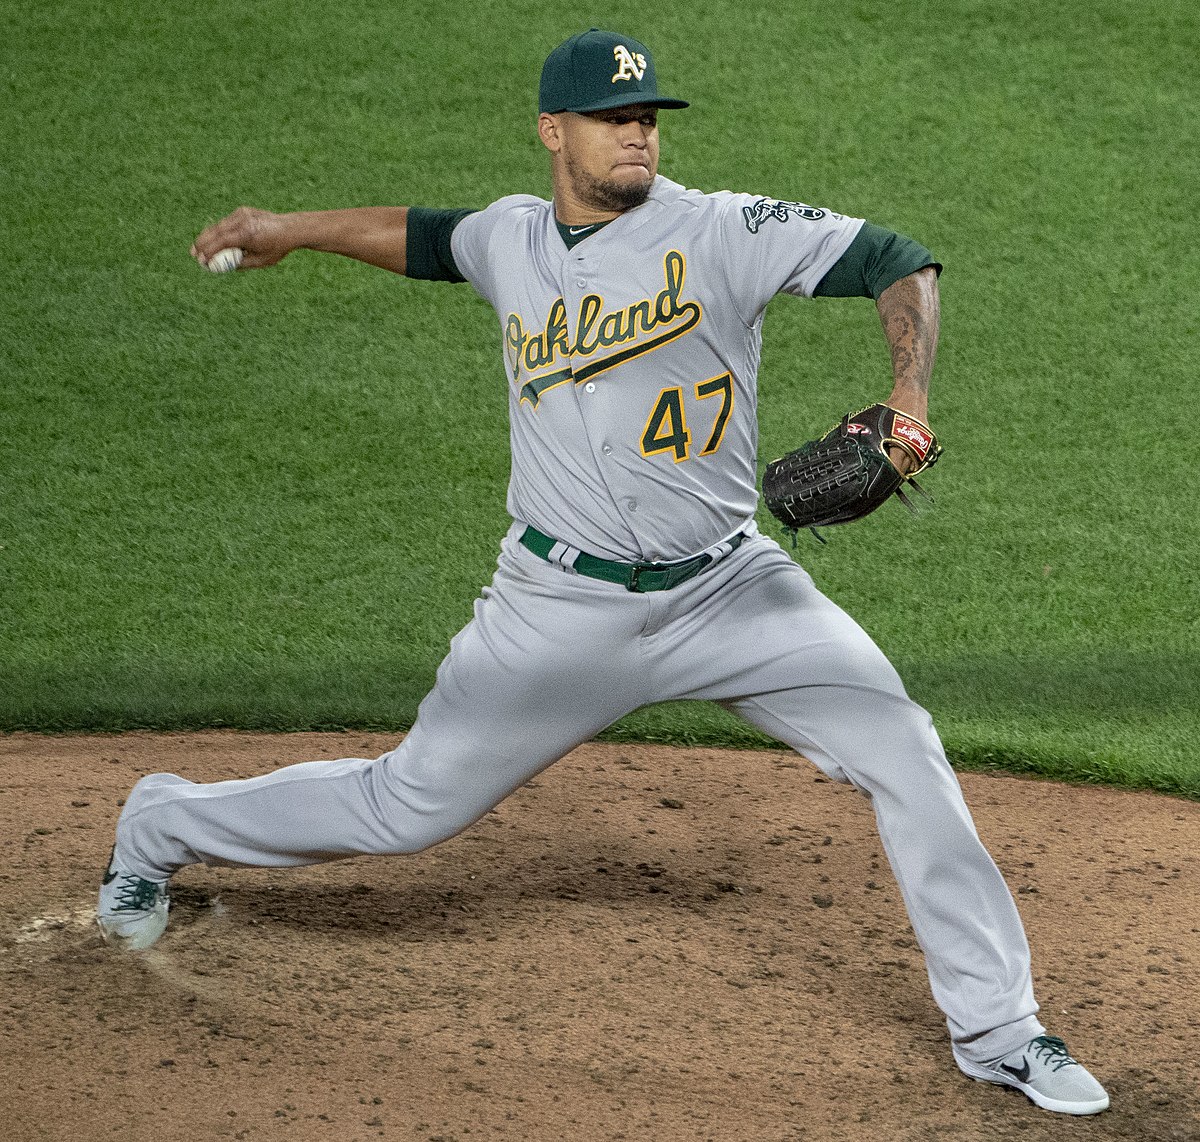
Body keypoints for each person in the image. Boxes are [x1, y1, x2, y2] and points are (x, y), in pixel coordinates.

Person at [98, 28, 1108, 1116]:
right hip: (557, 608)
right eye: (612, 116)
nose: (637, 131)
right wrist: (284, 230)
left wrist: (908, 396)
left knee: (904, 747)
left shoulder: (722, 228)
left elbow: (896, 256)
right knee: (406, 806)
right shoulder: (510, 239)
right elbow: (423, 236)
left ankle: (1000, 1028)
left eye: (647, 116)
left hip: (732, 592)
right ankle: (162, 823)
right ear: (552, 132)